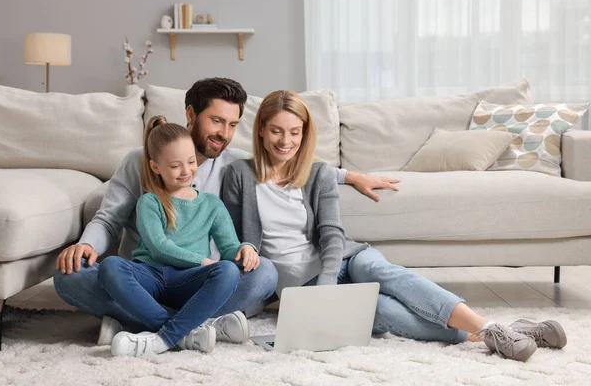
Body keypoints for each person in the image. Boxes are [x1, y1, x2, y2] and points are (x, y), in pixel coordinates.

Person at [221, 90, 568, 362]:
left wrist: (324, 287)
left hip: (341, 261)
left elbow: (331, 235)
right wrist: (276, 296)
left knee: (384, 272)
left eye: (295, 132)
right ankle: (508, 331)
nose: (286, 141)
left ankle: (487, 327)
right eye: (277, 131)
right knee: (386, 313)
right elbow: (239, 240)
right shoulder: (239, 174)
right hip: (300, 284)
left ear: (305, 133)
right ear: (262, 131)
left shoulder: (319, 173)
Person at [53, 77, 396, 347]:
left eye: (233, 125)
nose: (224, 134)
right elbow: (109, 218)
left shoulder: (234, 165)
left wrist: (348, 174)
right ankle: (187, 326)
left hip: (200, 281)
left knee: (264, 273)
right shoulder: (141, 161)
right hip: (143, 277)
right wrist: (88, 245)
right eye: (217, 121)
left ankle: (130, 319)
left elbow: (288, 163)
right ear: (190, 114)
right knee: (69, 276)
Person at [102, 115, 260, 357]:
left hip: (189, 281)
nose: (186, 171)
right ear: (156, 167)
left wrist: (246, 249)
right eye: (175, 166)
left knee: (228, 271)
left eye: (191, 162)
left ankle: (161, 337)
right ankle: (185, 332)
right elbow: (158, 248)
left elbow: (229, 248)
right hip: (151, 275)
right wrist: (203, 261)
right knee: (110, 266)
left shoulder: (211, 204)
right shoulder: (149, 202)